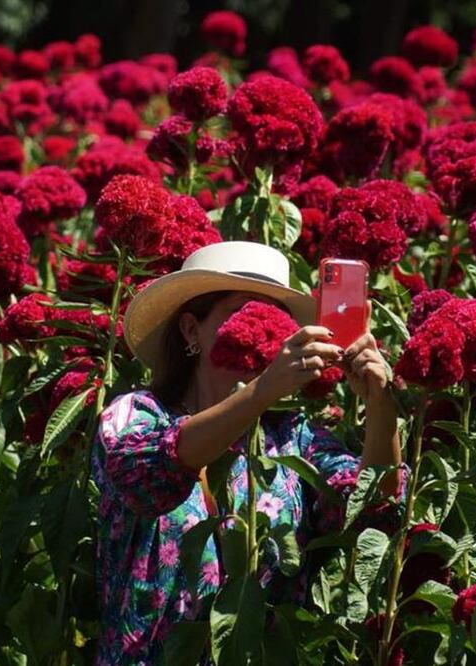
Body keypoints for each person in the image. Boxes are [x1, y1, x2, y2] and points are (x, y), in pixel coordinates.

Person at [91, 241, 406, 664]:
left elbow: (373, 506)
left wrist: (381, 403)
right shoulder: (135, 415)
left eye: (274, 318)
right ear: (191, 330)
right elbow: (150, 474)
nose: (262, 328)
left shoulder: (294, 439)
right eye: (240, 313)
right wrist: (263, 390)